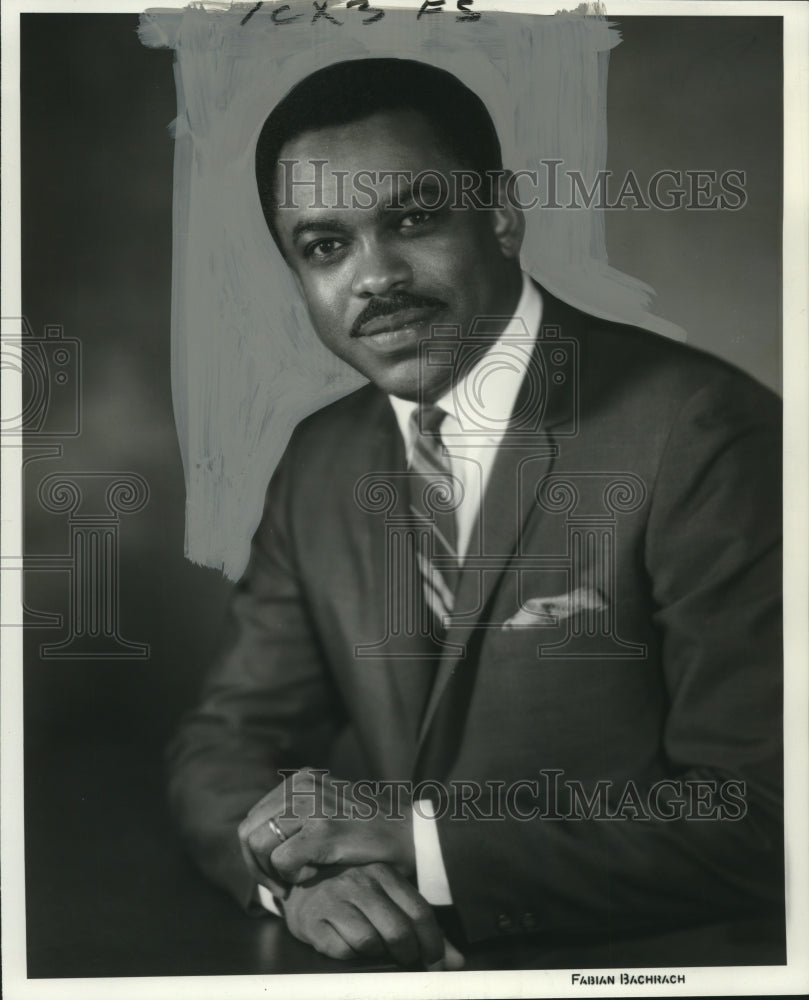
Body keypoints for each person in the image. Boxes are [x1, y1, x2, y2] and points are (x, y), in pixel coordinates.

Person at [166, 58, 784, 970]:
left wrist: (419, 845)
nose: (373, 277)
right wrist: (300, 881)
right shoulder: (320, 458)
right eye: (324, 245)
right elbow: (229, 741)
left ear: (499, 214)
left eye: (411, 220)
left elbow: (766, 816)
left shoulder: (700, 432)